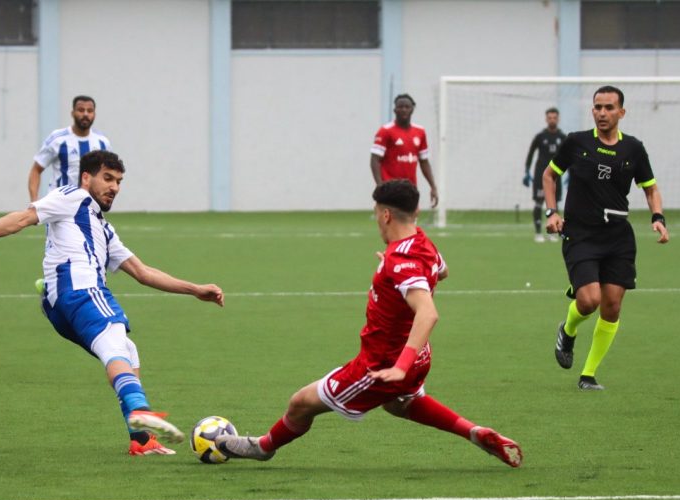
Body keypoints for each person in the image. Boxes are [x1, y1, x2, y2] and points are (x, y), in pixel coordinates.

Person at [215, 179, 522, 468]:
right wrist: (391, 276)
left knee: (300, 403)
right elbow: (441, 271)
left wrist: (400, 365)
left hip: (380, 365)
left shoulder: (400, 262)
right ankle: (474, 432)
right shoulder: (423, 244)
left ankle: (264, 447)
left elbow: (428, 313)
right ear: (415, 212)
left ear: (386, 214)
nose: (376, 219)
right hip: (420, 357)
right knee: (398, 403)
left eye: (376, 213)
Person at [0, 150, 224, 456]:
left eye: (119, 181)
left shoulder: (104, 229)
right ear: (86, 177)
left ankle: (141, 440)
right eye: (107, 178)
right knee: (116, 342)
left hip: (60, 305)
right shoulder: (72, 196)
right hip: (80, 290)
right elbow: (24, 218)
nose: (114, 187)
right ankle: (140, 409)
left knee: (126, 351)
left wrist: (194, 289)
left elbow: (142, 271)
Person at [543, 85, 669, 391]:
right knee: (589, 300)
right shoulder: (577, 142)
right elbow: (550, 175)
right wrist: (552, 212)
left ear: (621, 113)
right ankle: (568, 329)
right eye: (598, 107)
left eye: (609, 108)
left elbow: (650, 187)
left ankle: (588, 375)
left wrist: (658, 218)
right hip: (581, 233)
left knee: (612, 305)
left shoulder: (634, 149)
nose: (602, 113)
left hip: (618, 236)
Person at [28, 95, 111, 201]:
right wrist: (34, 200)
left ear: (94, 114)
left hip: (89, 205)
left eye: (90, 111)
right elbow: (36, 170)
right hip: (59, 203)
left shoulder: (102, 142)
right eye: (81, 110)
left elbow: (107, 174)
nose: (85, 114)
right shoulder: (57, 139)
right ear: (73, 113)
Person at [370, 93, 438, 207]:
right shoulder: (385, 131)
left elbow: (424, 162)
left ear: (412, 109)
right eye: (400, 107)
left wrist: (433, 186)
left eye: (407, 107)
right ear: (395, 110)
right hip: (389, 188)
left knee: (410, 224)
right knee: (391, 223)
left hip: (410, 189)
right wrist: (379, 185)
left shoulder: (420, 132)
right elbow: (374, 160)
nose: (403, 110)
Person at [523, 108, 566, 243]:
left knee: (554, 203)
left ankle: (553, 232)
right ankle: (537, 233)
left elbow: (569, 156)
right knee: (539, 202)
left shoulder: (563, 137)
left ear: (558, 119)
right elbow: (530, 153)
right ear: (546, 119)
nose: (552, 120)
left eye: (554, 117)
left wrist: (571, 172)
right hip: (541, 174)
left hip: (556, 175)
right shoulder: (540, 136)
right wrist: (526, 171)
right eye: (550, 117)